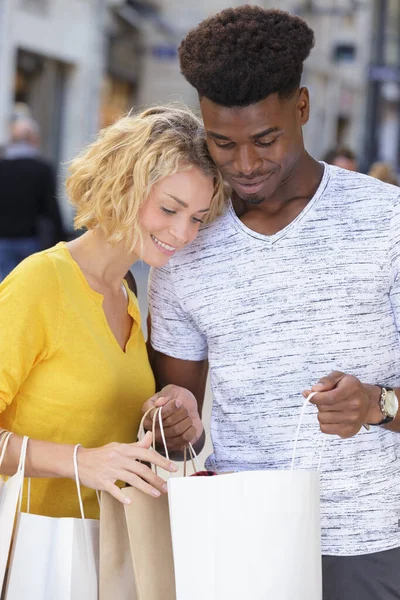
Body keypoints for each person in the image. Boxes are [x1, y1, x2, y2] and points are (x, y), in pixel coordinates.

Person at [143, 7, 400, 600]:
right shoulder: (184, 248)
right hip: (239, 540)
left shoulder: (386, 222)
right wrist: (172, 423)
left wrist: (376, 404)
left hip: (368, 545)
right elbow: (177, 431)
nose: (246, 164)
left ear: (302, 108)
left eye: (265, 139)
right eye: (222, 144)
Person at [0, 104, 226, 519]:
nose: (183, 233)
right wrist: (79, 460)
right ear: (123, 187)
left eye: (197, 217)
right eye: (169, 209)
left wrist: (170, 412)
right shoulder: (41, 282)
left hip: (105, 553)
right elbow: (91, 455)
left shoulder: (127, 295)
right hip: (35, 554)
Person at [0, 118, 64, 281]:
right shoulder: (42, 168)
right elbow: (51, 207)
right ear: (33, 139)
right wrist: (60, 237)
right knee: (28, 284)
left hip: (3, 239)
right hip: (31, 239)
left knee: (4, 285)